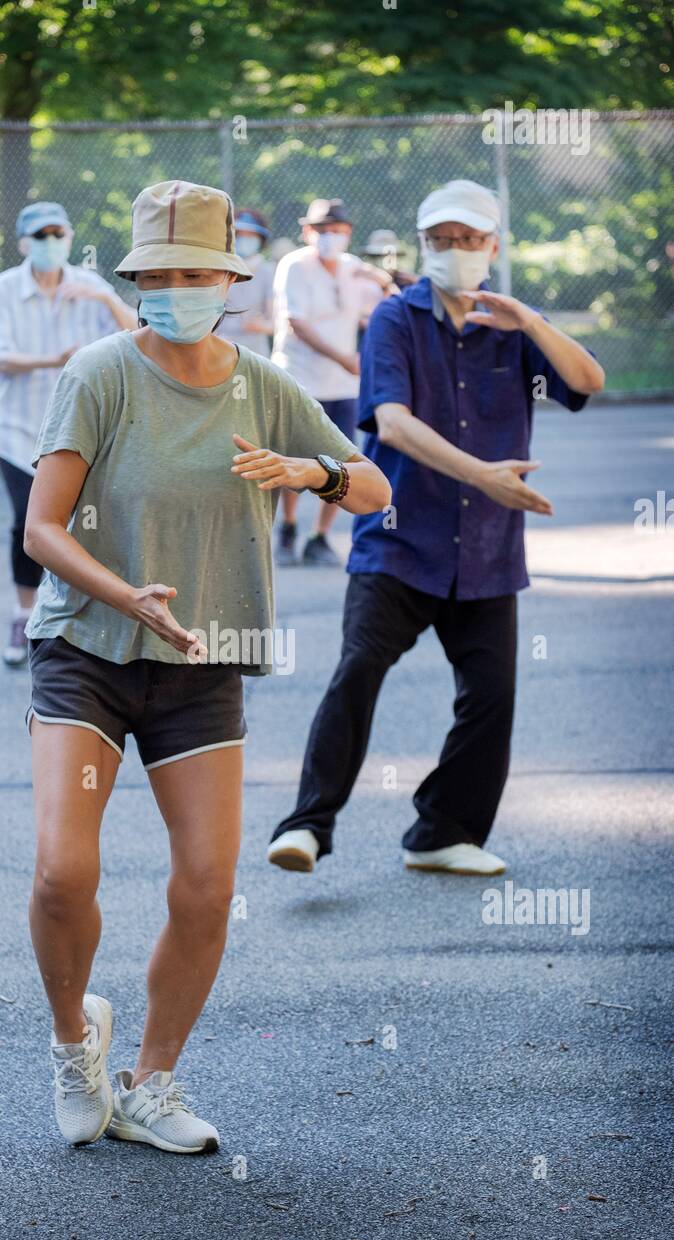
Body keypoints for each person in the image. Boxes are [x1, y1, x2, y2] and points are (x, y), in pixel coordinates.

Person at [20, 180, 391, 1152]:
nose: (181, 286)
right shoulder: (100, 372)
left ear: (227, 281)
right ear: (140, 279)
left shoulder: (259, 384)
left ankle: (150, 1085)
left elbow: (371, 485)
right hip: (88, 647)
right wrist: (124, 593)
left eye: (199, 272)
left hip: (201, 658)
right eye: (164, 273)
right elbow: (42, 526)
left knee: (203, 882)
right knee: (63, 871)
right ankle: (73, 1043)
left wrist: (308, 471)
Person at [267, 179, 605, 878]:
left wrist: (533, 323)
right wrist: (482, 474)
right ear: (424, 246)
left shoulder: (512, 327)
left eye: (468, 240)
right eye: (440, 241)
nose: (454, 251)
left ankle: (442, 833)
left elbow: (587, 381)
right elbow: (391, 422)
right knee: (359, 668)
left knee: (491, 696)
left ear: (492, 247)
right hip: (399, 538)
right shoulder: (395, 318)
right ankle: (307, 825)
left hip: (485, 552)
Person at [0, 201, 136, 667]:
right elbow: (1, 357)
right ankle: (23, 612)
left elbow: (139, 335)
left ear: (69, 237)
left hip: (77, 433)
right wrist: (58, 358)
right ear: (25, 243)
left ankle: (79, 618)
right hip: (18, 429)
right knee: (28, 523)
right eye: (41, 234)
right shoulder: (6, 288)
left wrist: (107, 300)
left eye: (58, 233)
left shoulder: (88, 285)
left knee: (84, 524)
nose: (51, 241)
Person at [271, 198, 371, 567]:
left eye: (338, 230)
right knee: (295, 459)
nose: (331, 236)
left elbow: (374, 312)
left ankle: (320, 537)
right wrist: (345, 358)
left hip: (343, 386)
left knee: (345, 463)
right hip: (301, 379)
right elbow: (297, 322)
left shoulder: (354, 268)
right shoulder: (294, 265)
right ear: (307, 231)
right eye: (322, 230)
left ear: (348, 233)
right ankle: (289, 528)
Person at [216, 207, 274, 358]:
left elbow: (275, 321)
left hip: (256, 352)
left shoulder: (266, 271)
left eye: (251, 235)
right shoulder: (219, 268)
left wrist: (261, 326)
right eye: (240, 235)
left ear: (260, 239)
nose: (245, 240)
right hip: (219, 346)